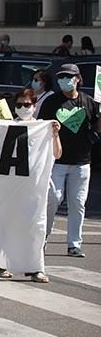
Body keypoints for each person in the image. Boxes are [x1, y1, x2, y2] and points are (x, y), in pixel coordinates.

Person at [0, 87, 60, 283]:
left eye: (27, 105)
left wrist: (55, 134)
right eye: (19, 105)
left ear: (34, 106)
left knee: (36, 226)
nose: (23, 108)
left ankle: (36, 268)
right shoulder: (8, 126)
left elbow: (57, 154)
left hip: (36, 187)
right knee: (10, 224)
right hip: (12, 186)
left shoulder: (42, 127)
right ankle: (3, 264)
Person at [38, 63, 97, 259]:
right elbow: (40, 128)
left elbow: (97, 128)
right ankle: (43, 237)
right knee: (53, 199)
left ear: (78, 79)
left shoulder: (88, 102)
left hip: (82, 161)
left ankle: (74, 243)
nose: (64, 80)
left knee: (78, 202)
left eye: (69, 77)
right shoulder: (51, 102)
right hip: (57, 161)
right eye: (61, 77)